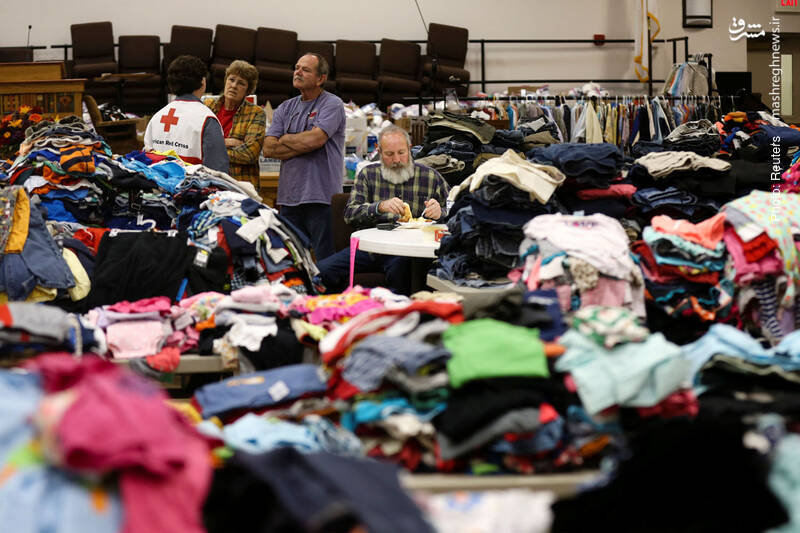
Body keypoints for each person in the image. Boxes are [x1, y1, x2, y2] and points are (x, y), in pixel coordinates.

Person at [317, 125, 449, 295]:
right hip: (368, 251)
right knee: (320, 271)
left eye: (402, 152)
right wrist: (379, 207)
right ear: (379, 151)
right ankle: (337, 312)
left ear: (409, 149)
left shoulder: (430, 177)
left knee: (401, 273)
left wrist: (440, 212)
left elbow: (455, 213)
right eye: (389, 154)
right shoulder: (368, 174)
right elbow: (350, 214)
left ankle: (396, 314)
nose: (397, 160)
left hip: (405, 252)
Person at [262, 52, 345, 260]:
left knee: (325, 263)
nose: (298, 72)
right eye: (297, 67)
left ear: (320, 79)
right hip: (289, 199)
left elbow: (315, 140)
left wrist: (286, 138)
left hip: (322, 198)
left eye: (305, 69)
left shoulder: (332, 104)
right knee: (292, 261)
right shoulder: (285, 108)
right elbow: (269, 148)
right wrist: (305, 142)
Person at [144, 55, 229, 173]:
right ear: (203, 82)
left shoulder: (156, 118)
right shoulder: (207, 120)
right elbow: (218, 173)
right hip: (192, 190)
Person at [203, 60, 266, 187]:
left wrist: (212, 147)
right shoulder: (207, 106)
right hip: (207, 181)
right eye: (231, 79)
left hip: (239, 184)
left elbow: (249, 154)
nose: (234, 85)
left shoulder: (256, 113)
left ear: (248, 90)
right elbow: (195, 142)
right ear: (226, 81)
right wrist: (229, 142)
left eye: (241, 83)